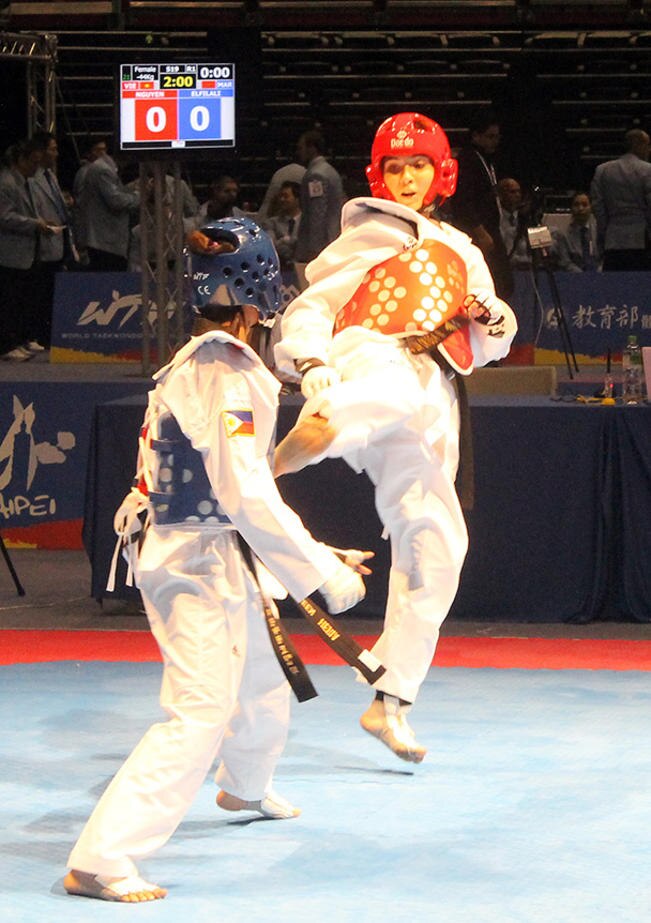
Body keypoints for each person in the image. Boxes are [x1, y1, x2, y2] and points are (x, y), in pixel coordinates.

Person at [64, 216, 369, 903]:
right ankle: (102, 858)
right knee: (200, 707)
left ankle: (246, 784)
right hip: (191, 555)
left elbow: (237, 486)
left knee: (261, 674)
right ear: (262, 293)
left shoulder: (211, 362)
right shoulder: (223, 371)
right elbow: (244, 489)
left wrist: (317, 552)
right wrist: (320, 573)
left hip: (210, 543)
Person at [274, 112, 517, 764]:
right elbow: (312, 306)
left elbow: (493, 339)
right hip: (374, 355)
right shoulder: (369, 232)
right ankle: (304, 440)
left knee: (440, 545)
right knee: (391, 392)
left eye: (418, 165)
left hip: (435, 389)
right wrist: (311, 364)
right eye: (395, 166)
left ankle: (390, 698)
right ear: (377, 175)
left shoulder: (463, 249)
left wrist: (492, 318)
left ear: (441, 173)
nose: (407, 177)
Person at [0, 138, 56, 360]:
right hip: (10, 252)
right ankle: (6, 345)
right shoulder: (6, 183)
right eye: (33, 163)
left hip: (26, 252)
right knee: (9, 300)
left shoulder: (25, 182)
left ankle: (19, 340)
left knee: (22, 300)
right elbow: (4, 217)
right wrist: (34, 224)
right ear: (21, 160)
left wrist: (40, 222)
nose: (36, 168)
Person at [451, 109, 513, 298]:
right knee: (492, 284)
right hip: (478, 233)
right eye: (490, 136)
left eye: (497, 137)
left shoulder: (485, 159)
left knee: (504, 283)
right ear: (476, 136)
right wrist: (480, 232)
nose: (495, 141)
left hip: (489, 230)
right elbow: (463, 201)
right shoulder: (468, 160)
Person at [590, 128, 651, 271]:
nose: (649, 150)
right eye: (648, 145)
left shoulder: (602, 170)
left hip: (613, 238)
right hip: (642, 240)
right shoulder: (648, 170)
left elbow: (598, 207)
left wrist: (605, 232)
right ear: (639, 145)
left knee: (614, 282)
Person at [294, 128, 345, 288]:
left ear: (312, 148)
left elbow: (317, 213)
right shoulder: (329, 171)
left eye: (301, 148)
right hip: (332, 239)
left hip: (321, 245)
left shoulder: (316, 175)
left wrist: (314, 250)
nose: (299, 152)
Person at [79, 149, 140, 271]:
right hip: (105, 241)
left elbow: (116, 194)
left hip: (105, 241)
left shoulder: (105, 169)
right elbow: (116, 201)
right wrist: (140, 195)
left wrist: (131, 190)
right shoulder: (104, 170)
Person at [554, 191, 600, 273]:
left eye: (584, 205)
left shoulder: (599, 230)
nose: (580, 208)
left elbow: (604, 257)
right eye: (576, 205)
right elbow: (565, 263)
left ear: (591, 207)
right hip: (575, 276)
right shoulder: (563, 234)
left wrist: (599, 272)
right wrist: (583, 276)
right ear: (571, 208)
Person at [496, 177, 531, 272]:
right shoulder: (495, 218)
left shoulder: (526, 218)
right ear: (501, 195)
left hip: (528, 268)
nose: (517, 195)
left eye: (519, 192)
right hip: (503, 267)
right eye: (512, 192)